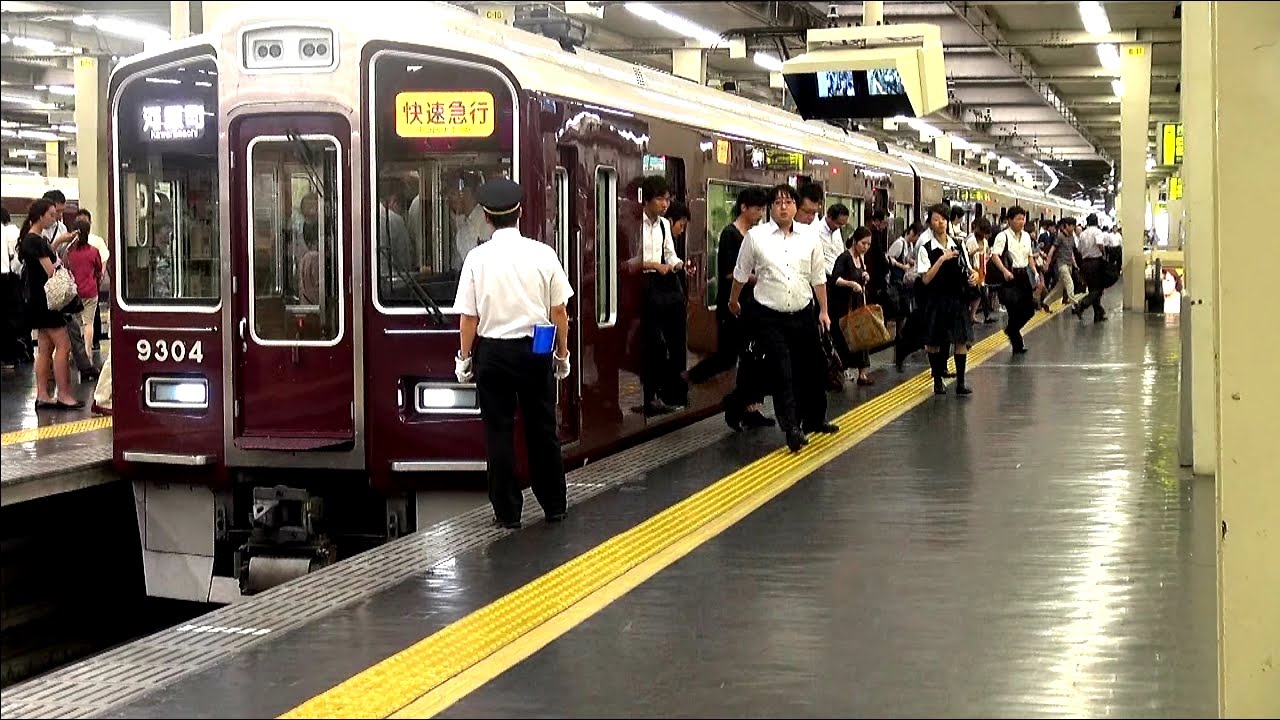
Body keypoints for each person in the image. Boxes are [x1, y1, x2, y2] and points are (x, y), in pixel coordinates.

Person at [453, 178, 573, 530]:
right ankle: (554, 505)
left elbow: (469, 317)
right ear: (520, 213)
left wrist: (465, 359)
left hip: (492, 351)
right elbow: (559, 312)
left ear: (487, 218)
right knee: (542, 429)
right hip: (537, 344)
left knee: (499, 432)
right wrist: (562, 354)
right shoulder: (543, 254)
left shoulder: (477, 258)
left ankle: (507, 513)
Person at [728, 184, 837, 453]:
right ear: (770, 208)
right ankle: (791, 427)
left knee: (810, 369)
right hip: (769, 316)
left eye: (788, 202)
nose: (783, 207)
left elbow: (818, 278)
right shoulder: (756, 237)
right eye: (777, 203)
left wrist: (823, 311)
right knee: (783, 371)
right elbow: (741, 272)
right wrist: (733, 300)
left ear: (795, 207)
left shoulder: (810, 239)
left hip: (803, 313)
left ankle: (813, 419)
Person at [19, 199, 81, 409]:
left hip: (37, 301)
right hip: (48, 302)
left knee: (44, 348)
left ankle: (43, 394)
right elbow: (51, 271)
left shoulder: (31, 239)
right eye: (51, 215)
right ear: (40, 215)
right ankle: (64, 394)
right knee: (64, 345)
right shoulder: (36, 241)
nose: (54, 219)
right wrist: (60, 264)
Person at [916, 204, 980, 396]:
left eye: (943, 218)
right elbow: (926, 278)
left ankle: (961, 382)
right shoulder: (926, 248)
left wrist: (975, 276)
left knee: (961, 341)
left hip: (957, 299)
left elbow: (970, 269)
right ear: (930, 223)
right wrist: (942, 259)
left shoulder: (958, 245)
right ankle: (937, 380)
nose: (940, 222)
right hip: (936, 300)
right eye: (936, 219)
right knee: (934, 342)